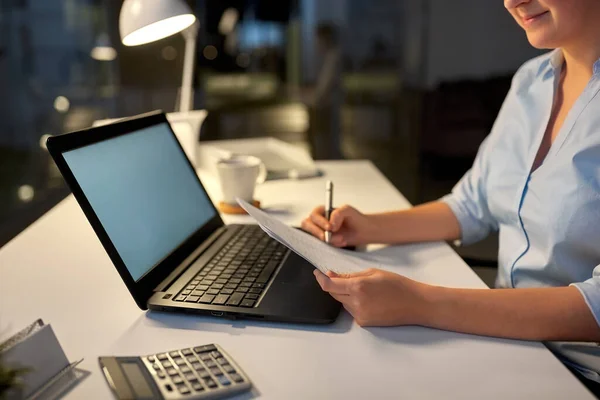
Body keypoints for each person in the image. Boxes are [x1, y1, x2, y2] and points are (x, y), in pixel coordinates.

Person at [301, 0, 600, 391]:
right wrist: (367, 226)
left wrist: (420, 303)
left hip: (579, 373)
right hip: (510, 344)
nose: (512, 1)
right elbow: (472, 203)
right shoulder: (532, 81)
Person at [307, 23, 343, 160]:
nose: (317, 44)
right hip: (328, 108)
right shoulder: (331, 57)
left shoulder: (333, 58)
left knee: (328, 148)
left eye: (318, 39)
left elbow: (323, 91)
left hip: (328, 109)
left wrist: (308, 98)